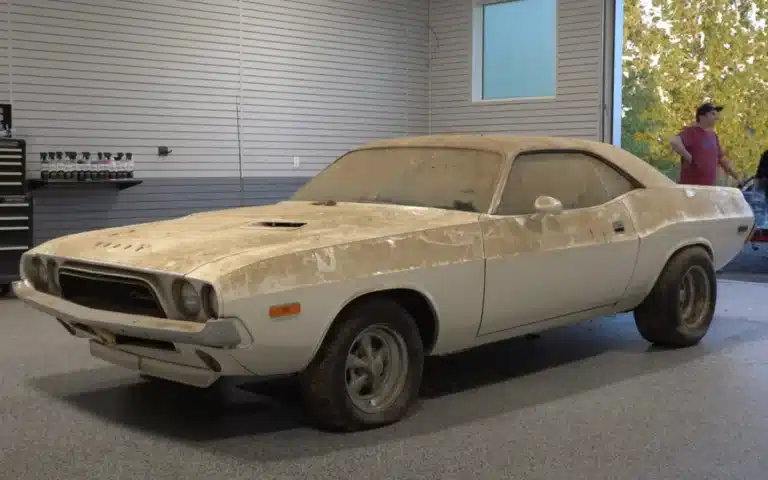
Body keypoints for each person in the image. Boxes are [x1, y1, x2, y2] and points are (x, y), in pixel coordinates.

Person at [668, 102, 742, 186]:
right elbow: (674, 141)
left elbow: (721, 158)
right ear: (702, 116)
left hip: (708, 189)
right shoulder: (692, 132)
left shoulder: (713, 135)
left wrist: (735, 176)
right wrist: (688, 156)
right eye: (713, 114)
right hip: (691, 189)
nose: (716, 117)